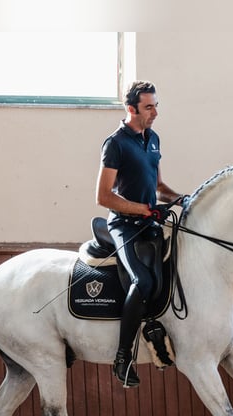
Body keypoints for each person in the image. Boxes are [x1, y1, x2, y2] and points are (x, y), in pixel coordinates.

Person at [95, 81, 185, 388]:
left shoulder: (154, 139)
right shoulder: (115, 144)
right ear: (130, 109)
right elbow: (104, 197)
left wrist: (184, 198)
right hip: (123, 227)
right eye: (149, 107)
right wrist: (143, 210)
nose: (156, 112)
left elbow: (159, 187)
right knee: (142, 281)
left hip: (151, 225)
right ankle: (123, 357)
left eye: (156, 105)